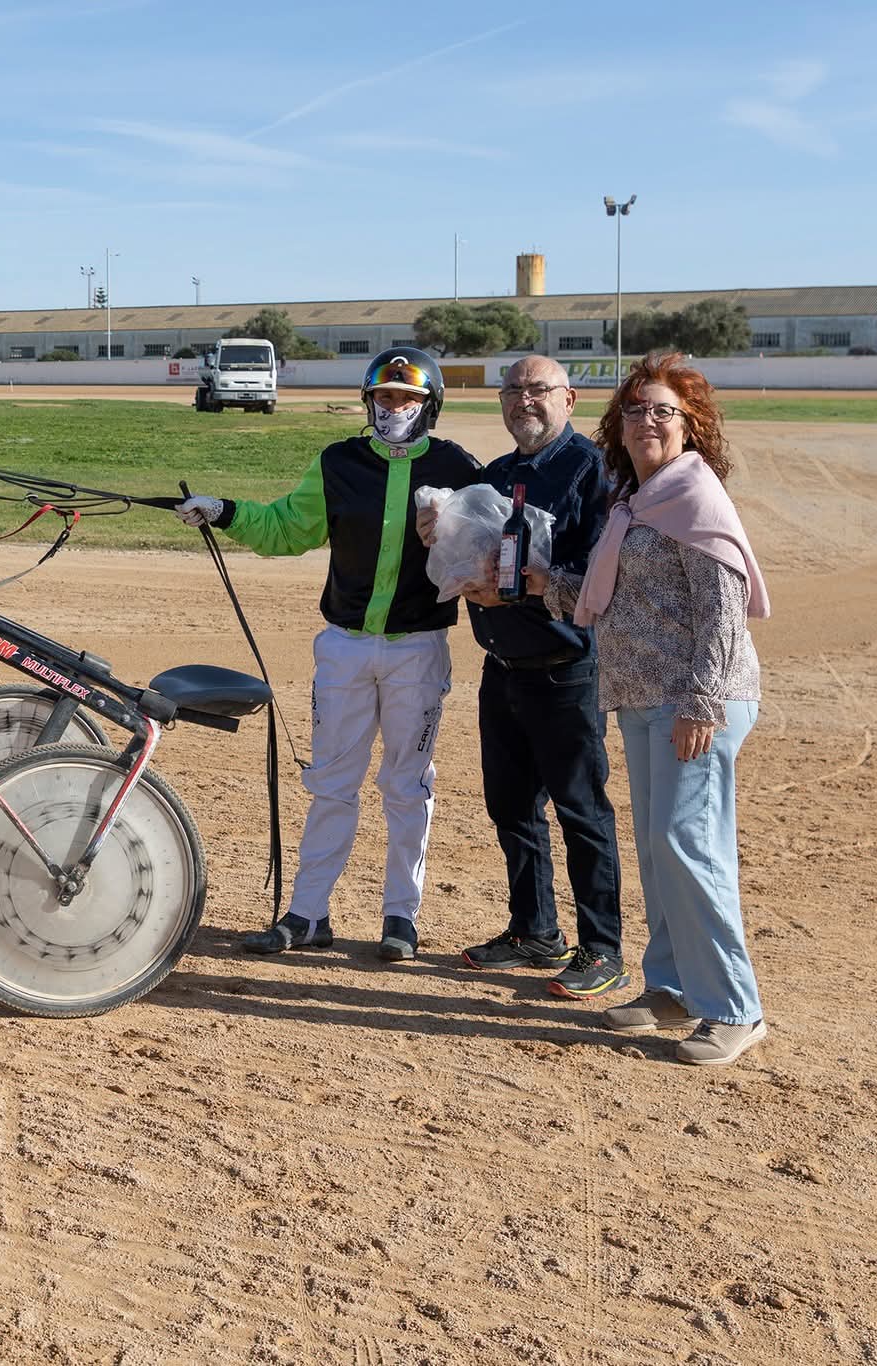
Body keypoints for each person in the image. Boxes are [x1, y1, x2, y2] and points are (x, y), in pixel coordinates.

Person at [176, 347, 479, 961]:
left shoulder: (458, 467)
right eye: (386, 398)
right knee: (332, 785)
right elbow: (289, 528)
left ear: (431, 406)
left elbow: (480, 555)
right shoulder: (338, 462)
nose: (395, 408)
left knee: (407, 785)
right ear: (369, 401)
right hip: (343, 649)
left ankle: (401, 918)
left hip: (417, 651)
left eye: (408, 399)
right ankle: (308, 914)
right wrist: (226, 511)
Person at [530, 352, 771, 1065]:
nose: (646, 423)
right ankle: (670, 990)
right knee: (663, 854)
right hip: (640, 696)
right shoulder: (638, 500)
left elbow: (722, 615)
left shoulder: (694, 497)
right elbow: (616, 598)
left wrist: (703, 701)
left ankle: (734, 1007)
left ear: (691, 426)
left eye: (664, 411)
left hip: (693, 702)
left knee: (687, 847)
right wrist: (544, 581)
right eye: (635, 411)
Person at [427, 356, 628, 999]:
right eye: (512, 390)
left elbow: (603, 571)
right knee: (511, 807)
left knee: (581, 812)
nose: (524, 401)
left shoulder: (593, 470)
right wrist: (444, 541)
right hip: (503, 665)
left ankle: (601, 947)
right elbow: (466, 556)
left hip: (566, 669)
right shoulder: (497, 475)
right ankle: (535, 932)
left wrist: (529, 587)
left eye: (538, 390)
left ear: (569, 397)